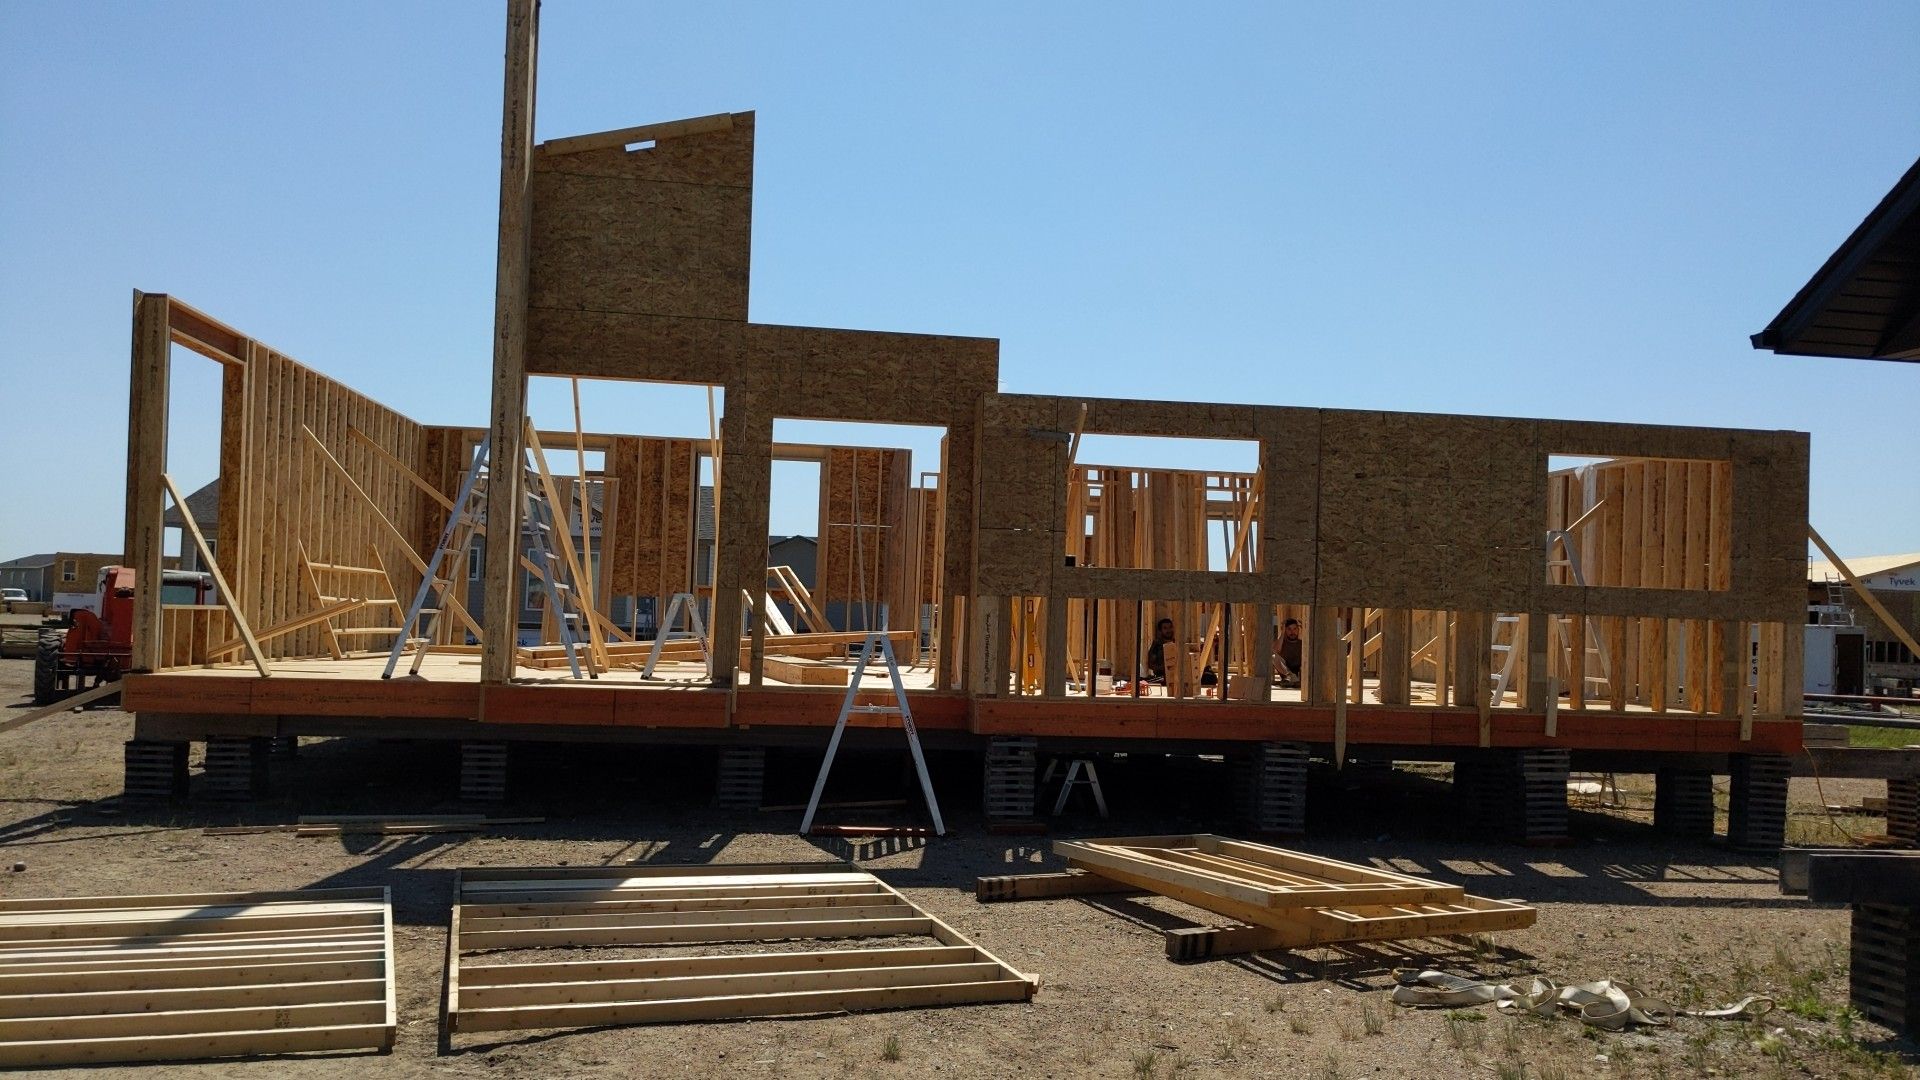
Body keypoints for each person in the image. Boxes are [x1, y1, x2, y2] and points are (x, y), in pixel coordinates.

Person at [1143, 617, 1175, 685]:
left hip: (1176, 677)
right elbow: (1151, 664)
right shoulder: (1157, 644)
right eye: (1165, 628)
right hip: (1162, 678)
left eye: (1170, 627)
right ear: (1160, 630)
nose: (1168, 630)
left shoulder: (1177, 643)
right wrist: (1165, 667)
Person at [1274, 618, 1303, 688]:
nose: (1292, 632)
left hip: (1299, 670)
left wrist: (1304, 629)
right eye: (1289, 629)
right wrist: (1282, 632)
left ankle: (1294, 680)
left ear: (1298, 630)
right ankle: (1292, 678)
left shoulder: (1301, 643)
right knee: (1273, 656)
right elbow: (1276, 650)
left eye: (1295, 629)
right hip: (1286, 671)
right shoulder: (1281, 642)